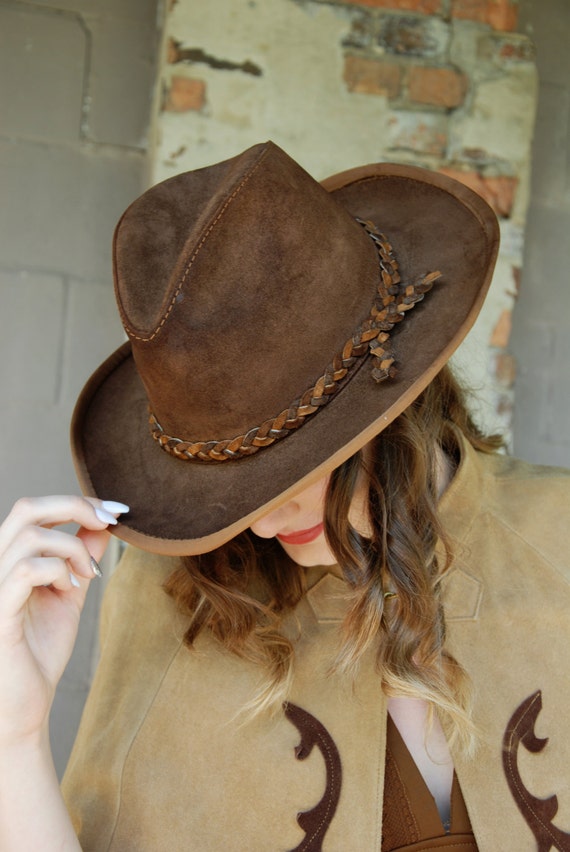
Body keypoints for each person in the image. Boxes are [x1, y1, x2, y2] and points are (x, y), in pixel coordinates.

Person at [0, 141, 569, 852]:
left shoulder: (558, 539)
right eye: (231, 483)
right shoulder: (175, 600)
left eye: (293, 467)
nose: (263, 522)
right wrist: (13, 739)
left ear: (387, 406)